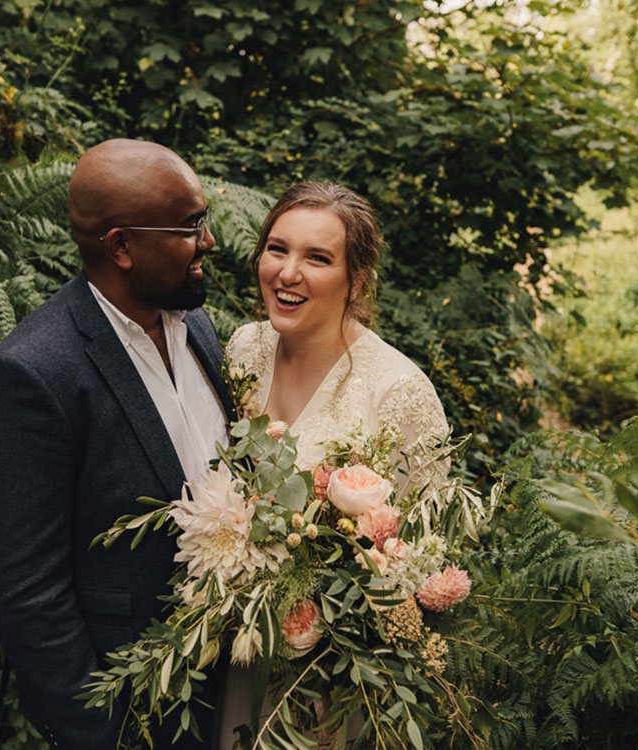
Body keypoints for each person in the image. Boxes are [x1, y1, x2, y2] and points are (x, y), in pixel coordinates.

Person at [0, 139, 236, 750]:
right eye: (191, 226)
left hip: (234, 693)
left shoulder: (196, 325)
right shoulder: (31, 376)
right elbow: (20, 589)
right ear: (121, 246)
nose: (209, 242)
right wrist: (102, 734)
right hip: (135, 715)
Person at [220, 181, 450, 747]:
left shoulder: (399, 393)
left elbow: (420, 559)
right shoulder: (242, 350)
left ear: (358, 280)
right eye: (277, 248)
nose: (286, 272)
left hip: (333, 679)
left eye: (317, 258)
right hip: (236, 650)